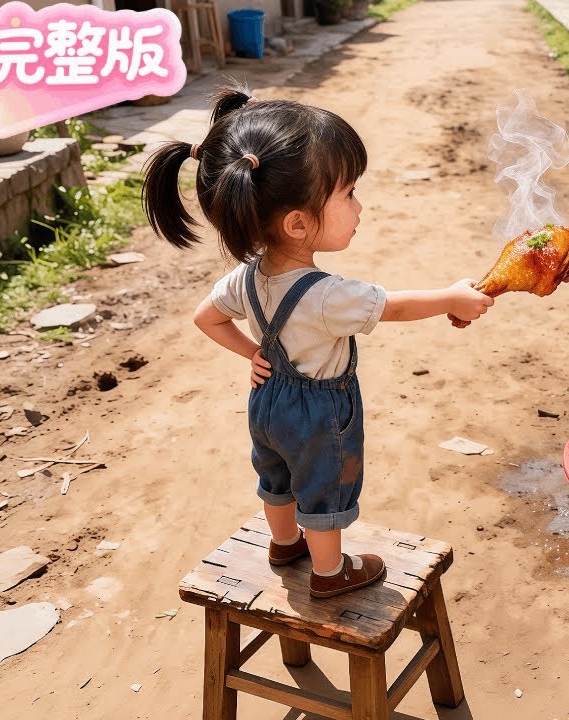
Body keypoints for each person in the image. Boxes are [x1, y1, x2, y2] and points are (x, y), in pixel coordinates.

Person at [142, 87, 493, 598]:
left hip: (268, 400)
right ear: (299, 222)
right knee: (323, 489)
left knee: (277, 476)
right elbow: (393, 306)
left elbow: (205, 317)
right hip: (320, 412)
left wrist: (253, 354)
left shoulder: (246, 277)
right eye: (348, 194)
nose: (359, 206)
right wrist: (451, 298)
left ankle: (283, 544)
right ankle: (330, 574)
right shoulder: (326, 296)